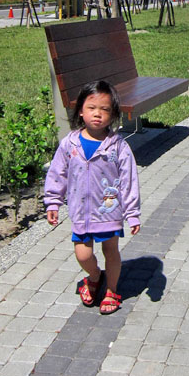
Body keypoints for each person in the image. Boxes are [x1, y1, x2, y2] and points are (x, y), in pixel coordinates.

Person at [44, 80, 140, 315]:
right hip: (80, 212)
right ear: (80, 111)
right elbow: (58, 173)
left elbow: (128, 181)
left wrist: (133, 213)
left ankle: (113, 289)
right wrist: (53, 201)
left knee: (111, 251)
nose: (98, 114)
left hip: (109, 211)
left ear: (113, 114)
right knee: (83, 254)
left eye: (105, 109)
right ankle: (95, 275)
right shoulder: (70, 143)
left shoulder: (117, 147)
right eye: (92, 108)